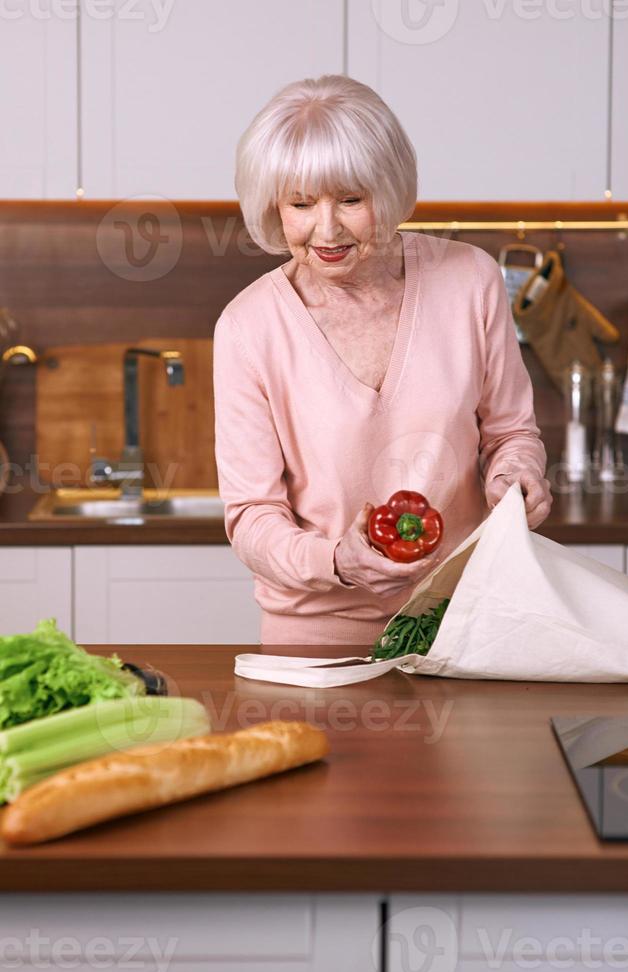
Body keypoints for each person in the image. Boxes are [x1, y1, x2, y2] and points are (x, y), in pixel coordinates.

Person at [213, 74, 552, 646]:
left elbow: (510, 431)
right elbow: (251, 514)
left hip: (466, 619)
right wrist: (336, 561)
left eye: (351, 200)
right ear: (274, 205)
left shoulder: (471, 281)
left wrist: (515, 475)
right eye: (300, 203)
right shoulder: (248, 328)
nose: (326, 229)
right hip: (317, 633)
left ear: (389, 191)